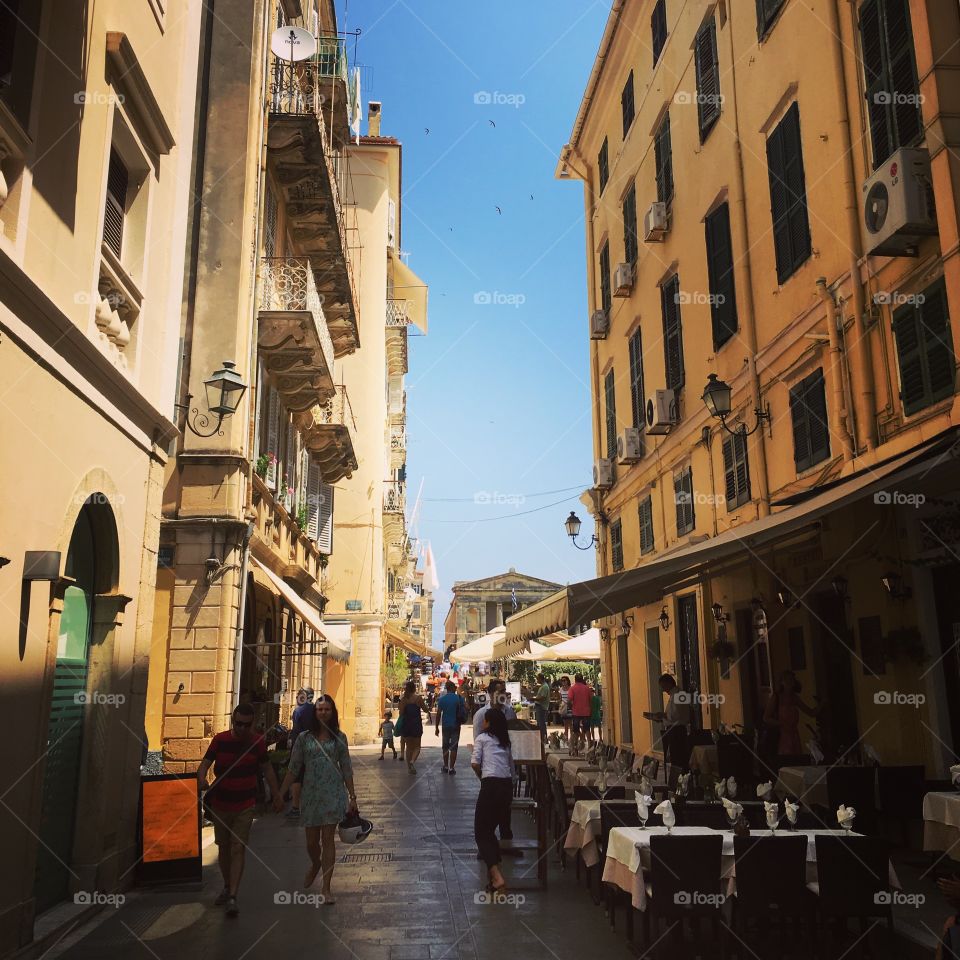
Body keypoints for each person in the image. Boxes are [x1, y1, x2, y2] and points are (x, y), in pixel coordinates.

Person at [197, 703, 283, 917]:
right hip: (221, 804)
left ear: (252, 724)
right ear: (232, 721)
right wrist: (200, 779)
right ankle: (227, 886)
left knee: (238, 847)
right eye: (238, 724)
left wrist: (277, 794)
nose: (242, 728)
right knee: (224, 848)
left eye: (246, 725)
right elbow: (205, 764)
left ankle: (233, 895)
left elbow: (267, 769)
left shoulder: (257, 743)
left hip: (245, 804)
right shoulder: (220, 740)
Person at [278, 694, 357, 904]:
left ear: (333, 713)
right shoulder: (304, 738)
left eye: (327, 710)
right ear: (315, 712)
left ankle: (326, 888)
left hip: (333, 793)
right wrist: (281, 793)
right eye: (320, 709)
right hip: (311, 795)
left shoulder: (339, 737)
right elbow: (294, 768)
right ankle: (315, 863)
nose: (323, 713)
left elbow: (346, 768)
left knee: (328, 839)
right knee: (312, 842)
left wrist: (352, 796)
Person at [471, 707, 514, 895]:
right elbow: (512, 767)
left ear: (489, 723)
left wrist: (482, 777)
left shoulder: (481, 739)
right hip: (506, 787)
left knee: (481, 832)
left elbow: (475, 763)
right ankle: (495, 872)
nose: (483, 723)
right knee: (491, 830)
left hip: (490, 786)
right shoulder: (506, 742)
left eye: (485, 721)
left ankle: (497, 876)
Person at [763, 669, 817, 758]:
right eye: (787, 680)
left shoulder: (794, 698)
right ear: (782, 682)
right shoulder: (776, 697)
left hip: (794, 735)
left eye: (791, 680)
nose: (790, 682)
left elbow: (810, 712)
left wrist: (822, 704)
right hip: (782, 736)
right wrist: (781, 723)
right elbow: (766, 718)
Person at [648, 674, 691, 775]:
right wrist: (661, 719)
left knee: (678, 759)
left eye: (663, 687)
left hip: (677, 731)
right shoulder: (675, 694)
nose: (663, 690)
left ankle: (681, 781)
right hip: (673, 730)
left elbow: (676, 715)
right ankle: (678, 781)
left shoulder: (679, 694)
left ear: (669, 683)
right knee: (676, 759)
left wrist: (663, 715)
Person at [286, 687, 315, 819]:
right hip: (313, 746)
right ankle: (311, 805)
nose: (297, 696)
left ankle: (295, 807)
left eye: (299, 694)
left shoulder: (298, 711)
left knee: (297, 776)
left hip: (300, 745)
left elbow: (296, 729)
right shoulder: (315, 709)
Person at [435, 680, 467, 774]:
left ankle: (445, 766)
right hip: (456, 725)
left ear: (447, 689)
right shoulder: (459, 698)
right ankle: (452, 768)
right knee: (454, 747)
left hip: (445, 725)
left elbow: (438, 714)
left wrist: (436, 727)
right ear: (453, 688)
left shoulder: (442, 699)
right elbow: (467, 707)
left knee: (445, 747)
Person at [398, 680, 430, 774]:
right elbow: (425, 709)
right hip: (416, 724)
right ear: (414, 688)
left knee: (409, 747)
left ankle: (409, 768)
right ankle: (412, 761)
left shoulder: (404, 699)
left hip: (407, 725)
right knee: (417, 747)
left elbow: (401, 713)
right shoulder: (418, 698)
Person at [567, 674, 593, 752]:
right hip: (586, 711)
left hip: (576, 712)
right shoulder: (587, 688)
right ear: (582, 679)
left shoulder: (572, 688)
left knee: (575, 729)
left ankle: (575, 745)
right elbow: (590, 700)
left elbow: (569, 700)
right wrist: (590, 709)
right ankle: (589, 744)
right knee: (587, 728)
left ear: (575, 680)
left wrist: (571, 706)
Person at [533, 673, 551, 740]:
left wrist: (534, 698)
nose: (537, 680)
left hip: (541, 707)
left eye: (537, 678)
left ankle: (543, 738)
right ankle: (543, 737)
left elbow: (542, 697)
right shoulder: (542, 686)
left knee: (541, 724)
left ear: (540, 678)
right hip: (540, 706)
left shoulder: (544, 687)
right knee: (540, 723)